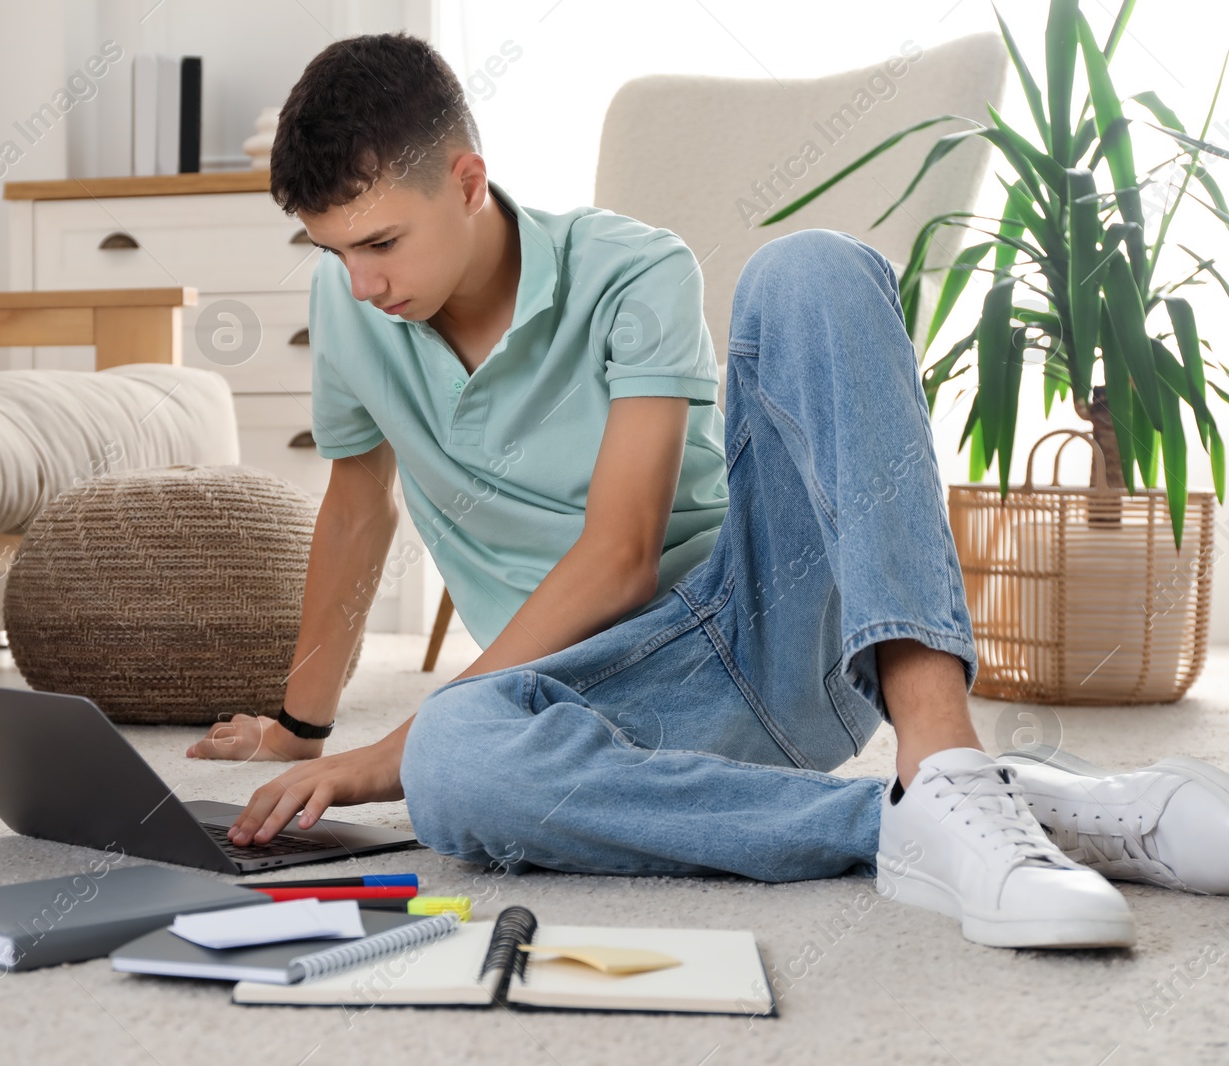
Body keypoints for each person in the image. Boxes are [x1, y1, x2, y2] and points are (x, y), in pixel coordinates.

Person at [185, 32, 1229, 948]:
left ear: (465, 181)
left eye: (380, 243)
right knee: (460, 759)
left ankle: (942, 756)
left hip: (753, 630)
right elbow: (356, 509)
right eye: (331, 251)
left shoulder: (631, 270)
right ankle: (936, 823)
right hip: (593, 700)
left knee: (810, 267)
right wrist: (300, 728)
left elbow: (622, 552)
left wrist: (389, 752)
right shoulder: (352, 304)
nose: (361, 284)